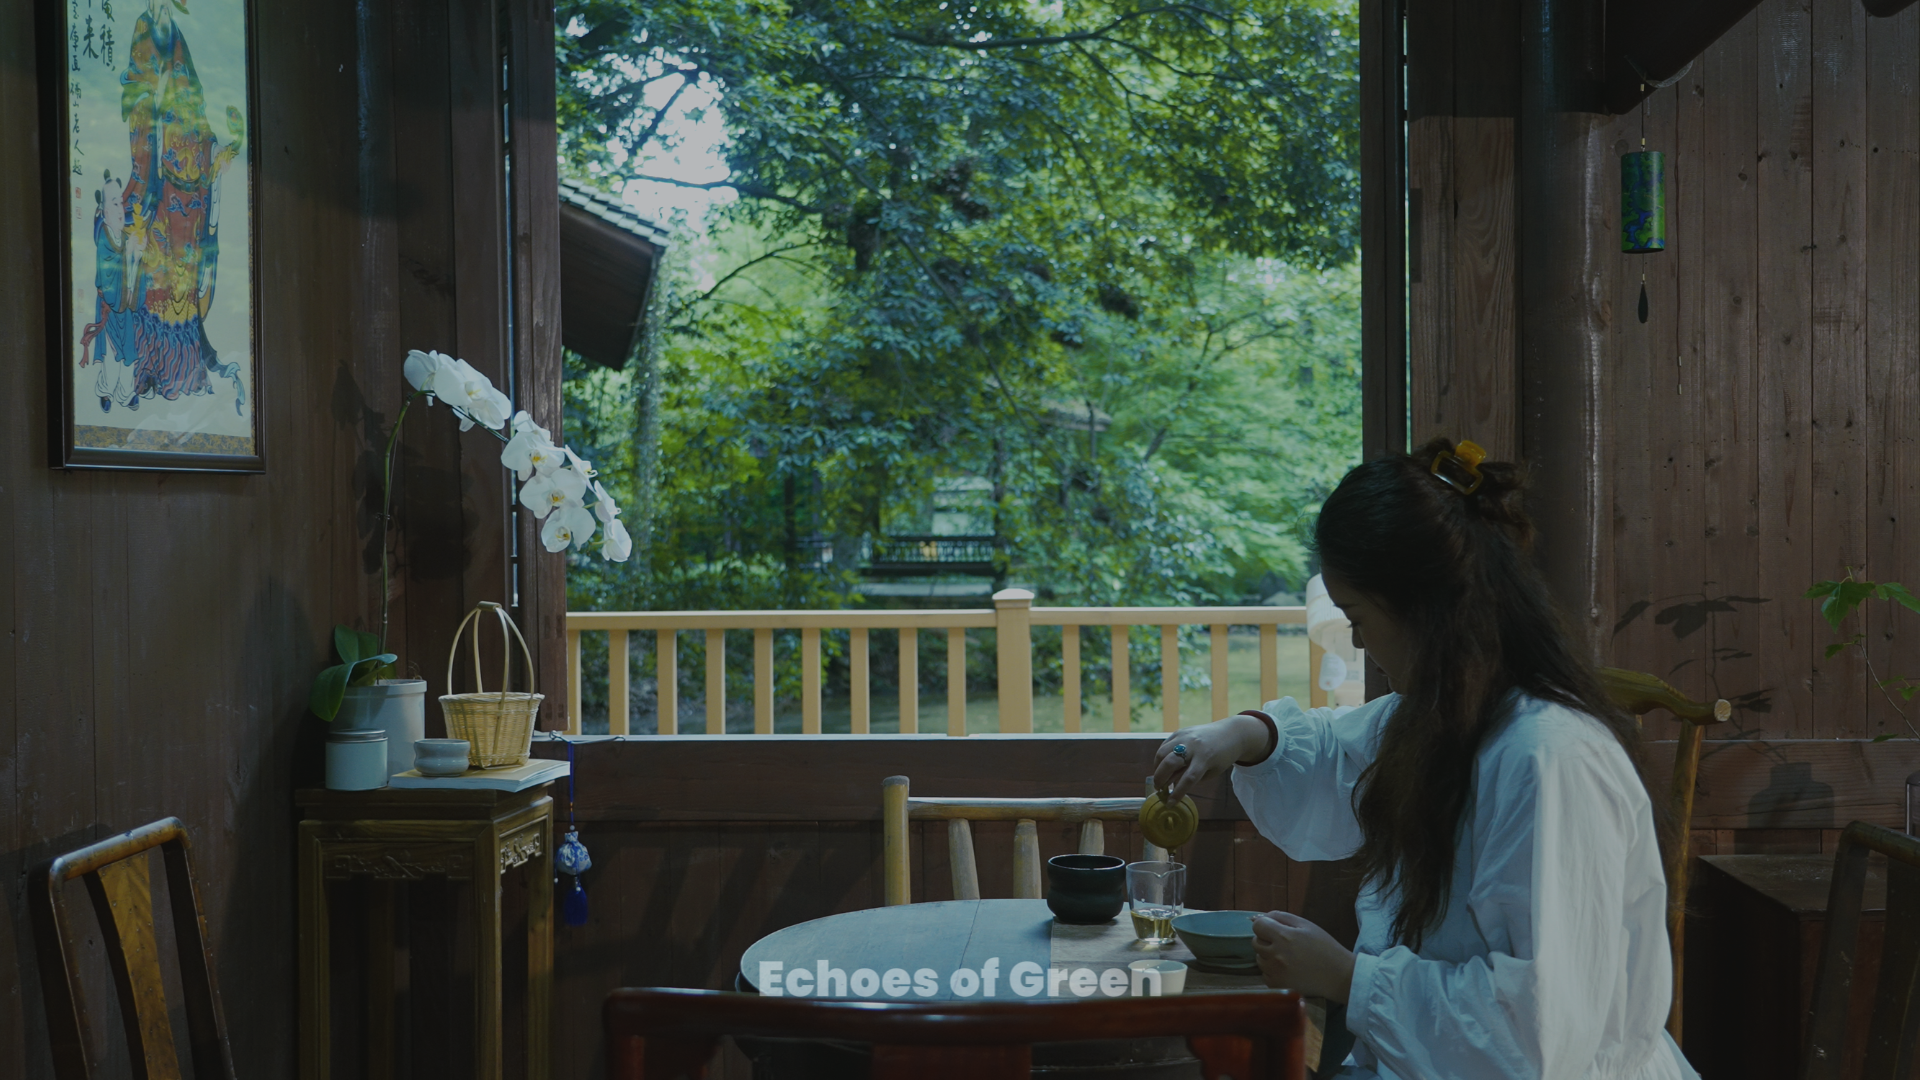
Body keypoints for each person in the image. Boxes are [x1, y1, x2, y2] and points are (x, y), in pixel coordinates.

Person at [1152, 438, 1697, 1080]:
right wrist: (1238, 735)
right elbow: (1338, 749)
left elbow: (1541, 1037)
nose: (1357, 640)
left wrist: (1348, 977)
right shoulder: (1448, 718)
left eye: (1358, 615)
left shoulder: (1548, 758)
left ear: (1424, 607)